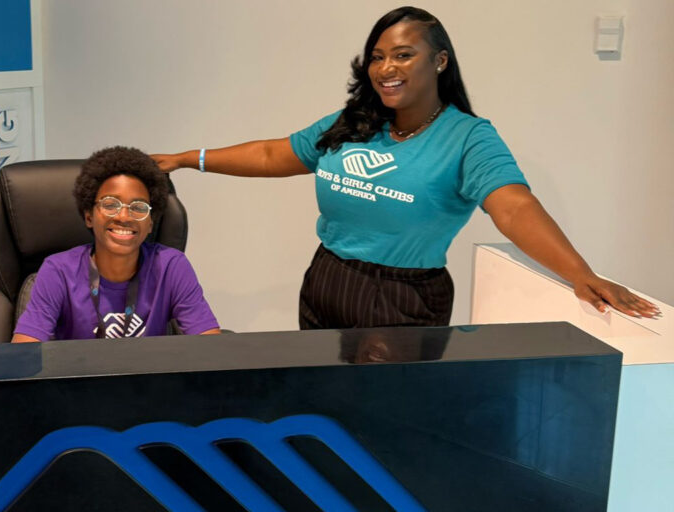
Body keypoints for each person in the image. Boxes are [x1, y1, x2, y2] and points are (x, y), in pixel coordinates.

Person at [152, 6, 659, 329]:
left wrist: (580, 273)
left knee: (384, 427)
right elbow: (272, 154)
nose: (386, 68)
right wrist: (187, 160)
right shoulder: (354, 122)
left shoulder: (468, 137)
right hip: (327, 278)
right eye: (377, 57)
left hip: (403, 298)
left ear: (439, 62)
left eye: (403, 55)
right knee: (323, 409)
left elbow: (513, 206)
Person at [12, 146, 221, 342]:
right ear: (89, 217)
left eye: (138, 207)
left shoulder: (171, 266)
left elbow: (210, 348)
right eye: (110, 204)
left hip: (150, 379)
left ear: (150, 223)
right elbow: (24, 355)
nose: (124, 216)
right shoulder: (58, 271)